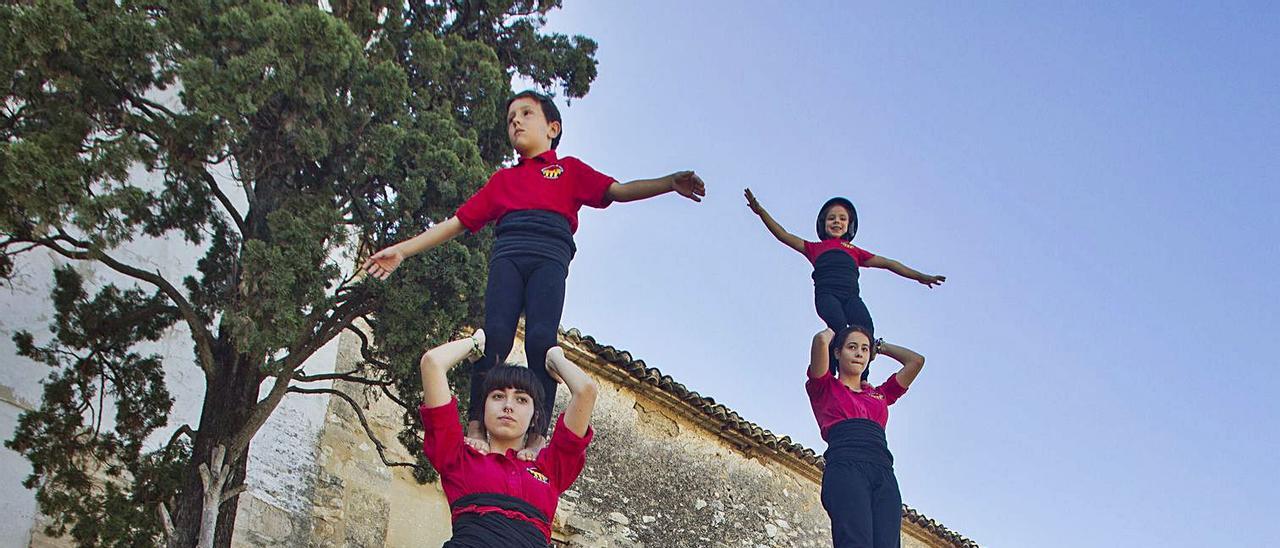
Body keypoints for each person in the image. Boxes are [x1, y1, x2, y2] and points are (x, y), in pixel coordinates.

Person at [367, 90, 705, 456]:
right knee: (494, 335)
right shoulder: (502, 182)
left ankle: (538, 433)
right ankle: (477, 423)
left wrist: (669, 182)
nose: (516, 121)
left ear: (552, 127)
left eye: (526, 113)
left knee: (542, 342)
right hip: (508, 254)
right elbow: (455, 223)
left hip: (550, 256)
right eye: (511, 117)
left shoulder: (569, 170)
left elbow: (619, 191)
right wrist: (402, 249)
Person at [419, 329, 598, 547]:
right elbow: (432, 363)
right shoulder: (457, 457)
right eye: (498, 396)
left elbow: (586, 391)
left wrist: (555, 358)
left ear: (535, 416)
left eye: (521, 400)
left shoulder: (550, 467)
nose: (508, 406)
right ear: (483, 408)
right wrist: (475, 343)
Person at [744, 189, 944, 338]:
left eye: (842, 218)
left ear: (849, 225)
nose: (837, 222)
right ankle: (829, 370)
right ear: (824, 224)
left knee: (866, 328)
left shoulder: (855, 252)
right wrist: (760, 211)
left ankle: (862, 377)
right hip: (827, 295)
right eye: (831, 218)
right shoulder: (814, 248)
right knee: (839, 328)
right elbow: (783, 235)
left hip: (851, 296)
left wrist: (920, 277)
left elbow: (889, 264)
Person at [806, 325, 925, 547]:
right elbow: (821, 341)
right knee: (855, 542)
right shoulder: (824, 386)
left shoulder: (880, 394)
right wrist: (837, 329)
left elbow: (916, 361)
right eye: (852, 347)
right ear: (838, 352)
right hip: (846, 466)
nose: (859, 353)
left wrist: (879, 346)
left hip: (883, 470)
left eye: (864, 349)